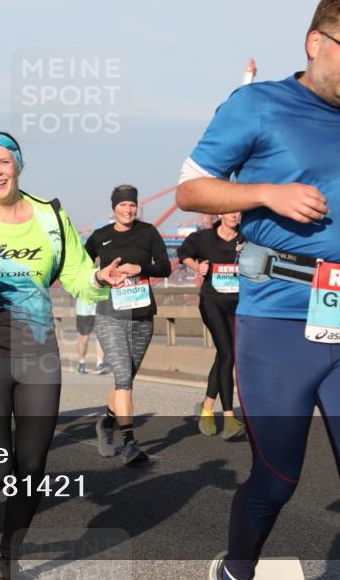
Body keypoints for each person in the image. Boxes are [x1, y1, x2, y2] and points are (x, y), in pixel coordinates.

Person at [176, 0, 340, 580]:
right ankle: (237, 568)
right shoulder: (255, 104)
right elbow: (190, 189)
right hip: (280, 322)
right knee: (277, 479)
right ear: (316, 43)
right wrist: (267, 192)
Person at [0, 132, 125, 579]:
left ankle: (8, 558)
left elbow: (77, 276)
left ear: (19, 164)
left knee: (31, 465)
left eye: (3, 162)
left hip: (37, 352)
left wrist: (100, 280)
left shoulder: (51, 217)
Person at [86, 185, 172, 465]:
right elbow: (82, 270)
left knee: (125, 380)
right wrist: (100, 275)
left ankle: (106, 424)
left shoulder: (148, 232)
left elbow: (165, 266)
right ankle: (130, 443)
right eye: (122, 205)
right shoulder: (100, 237)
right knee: (123, 379)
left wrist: (141, 268)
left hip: (142, 316)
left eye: (132, 205)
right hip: (110, 315)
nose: (128, 210)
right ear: (114, 208)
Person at [177, 213, 246, 439]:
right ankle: (229, 419)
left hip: (238, 304)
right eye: (230, 211)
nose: (234, 215)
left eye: (238, 211)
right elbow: (183, 254)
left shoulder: (246, 237)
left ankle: (207, 408)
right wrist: (197, 267)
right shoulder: (203, 238)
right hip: (211, 303)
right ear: (220, 214)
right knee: (227, 354)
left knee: (225, 356)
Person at [73, 296, 104, 375]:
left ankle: (100, 363)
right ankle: (81, 362)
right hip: (83, 309)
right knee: (84, 338)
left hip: (100, 307)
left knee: (101, 336)